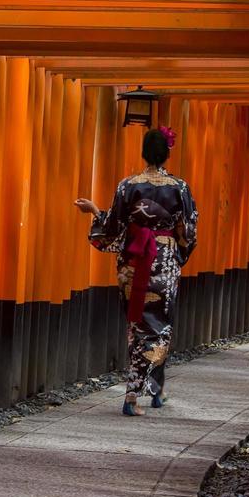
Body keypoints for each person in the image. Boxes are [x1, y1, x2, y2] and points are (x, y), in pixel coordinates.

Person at [75, 125, 198, 416]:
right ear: (167, 154)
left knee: (137, 325)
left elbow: (112, 227)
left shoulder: (127, 185)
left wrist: (94, 210)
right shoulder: (179, 188)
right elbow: (189, 232)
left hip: (134, 261)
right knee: (161, 323)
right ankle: (148, 392)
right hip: (164, 258)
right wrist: (176, 252)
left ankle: (141, 391)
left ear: (144, 153)